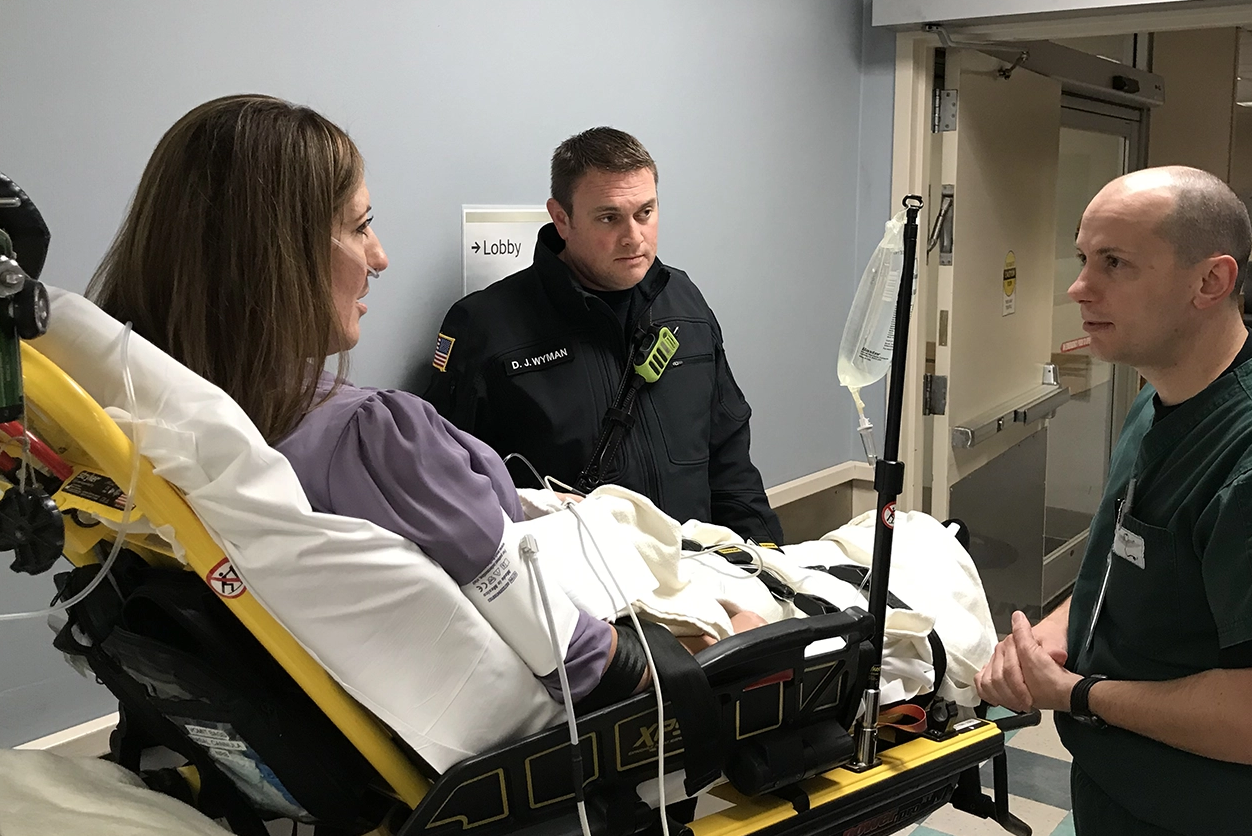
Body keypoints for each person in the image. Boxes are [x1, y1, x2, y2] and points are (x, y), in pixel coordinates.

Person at [89, 96, 758, 713]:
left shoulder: (164, 424)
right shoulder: (388, 420)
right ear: (274, 258)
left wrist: (749, 554)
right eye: (360, 227)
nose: (379, 257)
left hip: (664, 554)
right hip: (597, 642)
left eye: (645, 212)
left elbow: (729, 447)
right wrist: (715, 646)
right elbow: (570, 647)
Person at [974, 166, 1252, 836]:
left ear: (1210, 281)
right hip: (1137, 805)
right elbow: (1135, 560)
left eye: (1114, 263)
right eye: (1082, 258)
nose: (1079, 287)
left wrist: (1075, 691)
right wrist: (1054, 635)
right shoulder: (1161, 398)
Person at [422, 127, 784, 546]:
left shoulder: (683, 303)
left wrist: (770, 565)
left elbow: (729, 457)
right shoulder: (486, 325)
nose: (634, 237)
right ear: (561, 219)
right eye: (609, 218)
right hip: (579, 592)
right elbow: (449, 489)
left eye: (645, 213)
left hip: (695, 575)